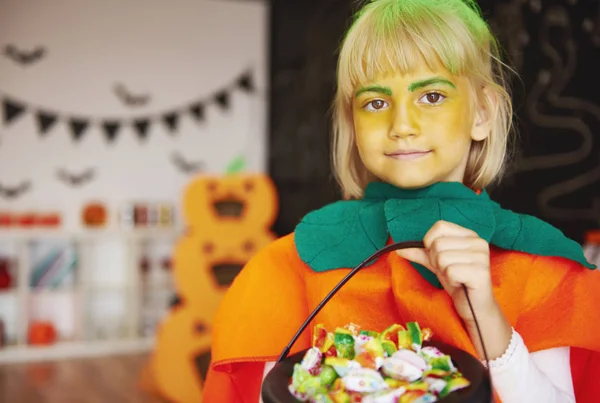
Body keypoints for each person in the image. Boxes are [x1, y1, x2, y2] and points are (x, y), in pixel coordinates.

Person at [203, 0, 600, 402]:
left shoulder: (543, 269)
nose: (402, 126)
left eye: (431, 96)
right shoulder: (286, 269)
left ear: (482, 111)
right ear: (353, 123)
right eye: (376, 103)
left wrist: (488, 319)